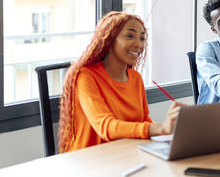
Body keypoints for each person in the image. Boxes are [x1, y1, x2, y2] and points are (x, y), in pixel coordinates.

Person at [58, 11, 184, 153]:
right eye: (130, 36)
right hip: (90, 159)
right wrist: (161, 128)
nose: (138, 44)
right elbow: (105, 126)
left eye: (142, 38)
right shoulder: (85, 76)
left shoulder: (135, 78)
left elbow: (143, 120)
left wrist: (173, 131)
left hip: (124, 152)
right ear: (109, 39)